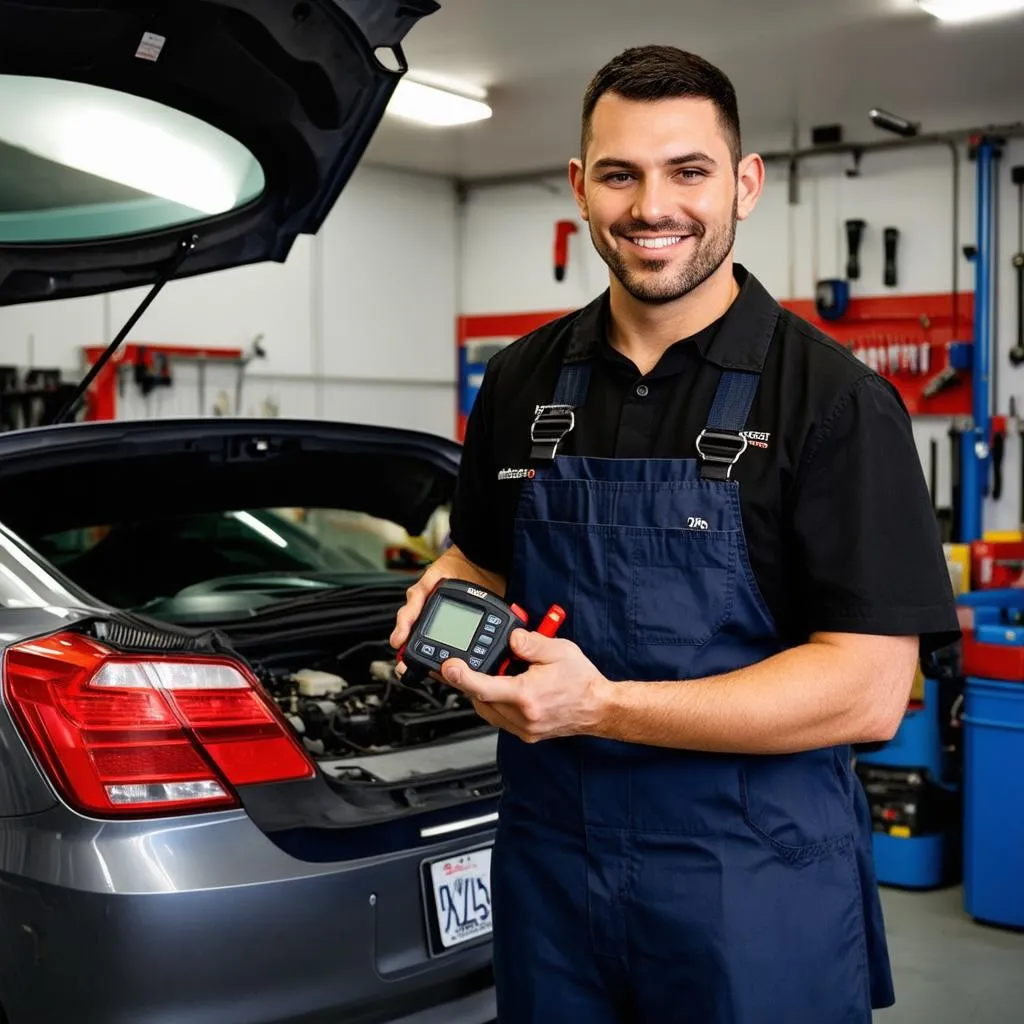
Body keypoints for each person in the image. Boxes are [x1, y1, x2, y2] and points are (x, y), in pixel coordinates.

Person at [391, 44, 960, 1024]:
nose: (651, 205)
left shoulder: (833, 401)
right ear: (580, 185)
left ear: (744, 183)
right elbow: (480, 556)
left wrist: (601, 705)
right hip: (551, 880)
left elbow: (869, 692)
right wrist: (443, 591)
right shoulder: (521, 383)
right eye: (620, 172)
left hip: (750, 885)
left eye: (687, 170)